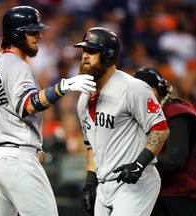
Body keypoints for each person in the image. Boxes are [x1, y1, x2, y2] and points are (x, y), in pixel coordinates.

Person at [0, 6, 96, 216]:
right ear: (16, 34)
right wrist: (63, 87)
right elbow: (28, 105)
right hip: (14, 158)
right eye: (32, 31)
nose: (39, 36)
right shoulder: (17, 66)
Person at [73, 27, 170, 216]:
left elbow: (160, 128)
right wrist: (89, 183)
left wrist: (140, 164)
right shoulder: (83, 96)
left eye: (92, 51)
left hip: (136, 182)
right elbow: (90, 146)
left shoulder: (133, 87)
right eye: (84, 50)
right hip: (103, 185)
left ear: (109, 57)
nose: (85, 55)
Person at [134, 67, 196, 216]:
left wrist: (139, 162)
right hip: (162, 191)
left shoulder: (177, 113)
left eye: (145, 90)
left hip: (187, 194)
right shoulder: (145, 115)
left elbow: (175, 158)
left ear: (160, 90)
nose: (140, 96)